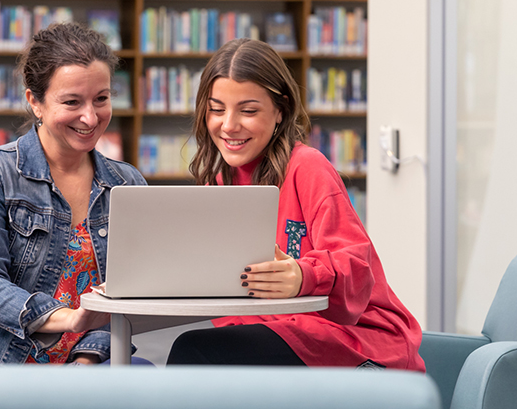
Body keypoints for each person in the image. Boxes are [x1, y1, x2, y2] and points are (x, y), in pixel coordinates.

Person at [166, 38, 425, 370]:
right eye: (216, 109)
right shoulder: (218, 183)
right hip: (278, 334)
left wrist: (304, 276)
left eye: (248, 110)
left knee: (193, 352)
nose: (228, 125)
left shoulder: (307, 167)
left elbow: (357, 269)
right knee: (198, 353)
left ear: (280, 111)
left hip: (357, 341)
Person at [0, 22, 148, 365]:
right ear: (35, 101)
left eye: (102, 99)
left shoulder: (128, 185)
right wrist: (68, 319)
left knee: (147, 378)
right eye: (71, 101)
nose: (90, 117)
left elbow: (130, 296)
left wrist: (87, 360)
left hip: (86, 364)